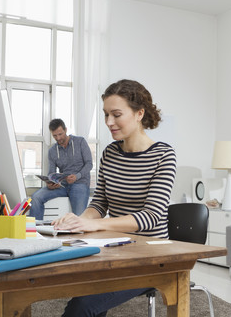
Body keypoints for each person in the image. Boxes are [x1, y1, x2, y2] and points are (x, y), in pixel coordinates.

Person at [53, 79, 177, 317]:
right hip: (116, 248)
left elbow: (151, 217)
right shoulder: (110, 153)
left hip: (152, 257)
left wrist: (94, 224)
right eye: (106, 114)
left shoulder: (163, 154)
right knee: (78, 292)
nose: (109, 122)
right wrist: (77, 221)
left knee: (83, 307)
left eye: (116, 114)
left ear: (139, 113)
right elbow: (99, 203)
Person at [30, 119, 93, 220]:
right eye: (55, 135)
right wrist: (51, 183)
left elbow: (89, 164)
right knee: (36, 197)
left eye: (60, 134)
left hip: (80, 184)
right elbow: (51, 172)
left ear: (66, 130)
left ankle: (80, 235)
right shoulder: (52, 151)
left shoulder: (80, 141)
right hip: (62, 185)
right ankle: (34, 231)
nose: (58, 138)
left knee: (79, 217)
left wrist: (77, 176)